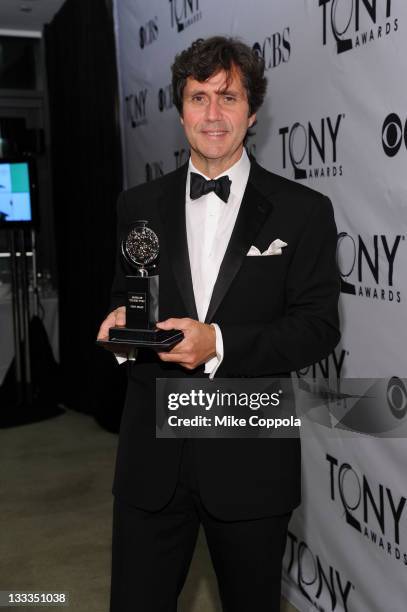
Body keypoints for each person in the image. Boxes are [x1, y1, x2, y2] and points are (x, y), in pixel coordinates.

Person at [98, 36, 340, 612]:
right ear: (179, 108)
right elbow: (131, 303)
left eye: (227, 98)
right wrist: (122, 337)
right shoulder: (138, 205)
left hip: (251, 450)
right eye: (198, 96)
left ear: (252, 111)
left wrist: (218, 343)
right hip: (151, 461)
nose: (212, 114)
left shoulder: (303, 211)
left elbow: (318, 328)